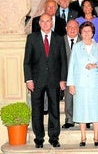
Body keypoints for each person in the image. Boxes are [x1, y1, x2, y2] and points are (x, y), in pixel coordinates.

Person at [24, 13, 67, 148]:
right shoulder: (32, 38)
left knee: (54, 109)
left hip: (54, 80)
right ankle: (39, 138)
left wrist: (62, 79)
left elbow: (63, 61)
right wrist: (28, 79)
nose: (45, 23)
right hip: (36, 80)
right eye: (42, 21)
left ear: (52, 23)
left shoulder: (59, 39)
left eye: (48, 21)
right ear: (39, 23)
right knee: (37, 110)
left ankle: (54, 137)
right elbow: (27, 62)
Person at [67, 21, 98, 147]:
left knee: (95, 110)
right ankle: (83, 137)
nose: (86, 33)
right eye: (84, 31)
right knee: (81, 110)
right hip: (80, 84)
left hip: (94, 84)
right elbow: (72, 65)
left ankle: (96, 137)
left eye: (89, 31)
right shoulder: (76, 47)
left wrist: (95, 65)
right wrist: (71, 84)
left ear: (93, 33)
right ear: (81, 33)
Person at [61, 20, 81, 129]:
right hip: (66, 75)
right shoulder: (60, 41)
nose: (72, 29)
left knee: (82, 98)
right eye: (70, 27)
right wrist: (61, 78)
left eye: (75, 27)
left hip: (81, 76)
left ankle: (84, 119)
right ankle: (69, 119)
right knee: (68, 98)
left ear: (78, 29)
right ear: (66, 28)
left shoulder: (84, 40)